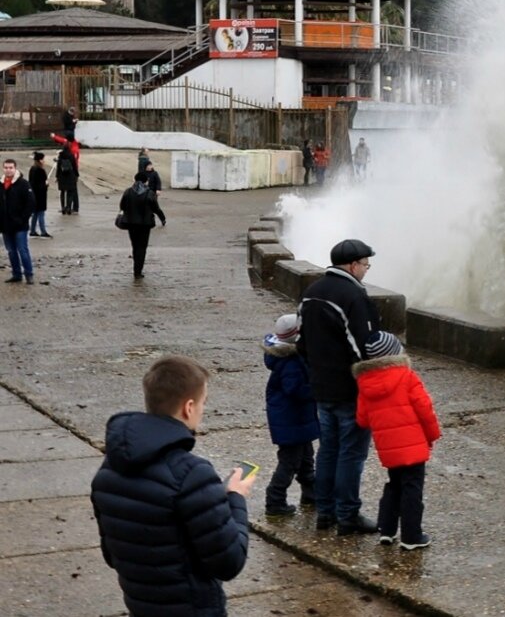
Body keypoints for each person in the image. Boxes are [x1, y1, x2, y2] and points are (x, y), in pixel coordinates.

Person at [91, 355, 254, 617]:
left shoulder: (109, 470)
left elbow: (113, 555)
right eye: (203, 403)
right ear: (189, 407)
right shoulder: (192, 474)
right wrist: (235, 497)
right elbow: (228, 562)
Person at [297, 238, 381, 535]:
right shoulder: (353, 296)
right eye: (366, 264)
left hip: (321, 387)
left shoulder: (311, 292)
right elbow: (364, 347)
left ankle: (325, 512)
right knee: (352, 454)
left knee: (328, 450)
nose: (367, 270)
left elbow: (301, 343)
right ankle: (348, 515)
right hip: (350, 390)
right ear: (352, 264)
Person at [354, 331, 441, 550]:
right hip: (413, 446)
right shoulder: (407, 376)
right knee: (412, 488)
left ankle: (387, 529)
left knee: (394, 484)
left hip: (388, 448)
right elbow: (425, 410)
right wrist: (432, 435)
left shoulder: (365, 383)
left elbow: (362, 420)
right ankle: (412, 536)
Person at [262, 313, 318, 517]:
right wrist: (317, 389)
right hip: (291, 420)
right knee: (290, 462)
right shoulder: (291, 362)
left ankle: (311, 493)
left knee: (305, 458)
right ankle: (275, 501)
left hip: (295, 420)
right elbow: (295, 390)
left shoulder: (285, 356)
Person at [120, 170, 165, 278]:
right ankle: (138, 271)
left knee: (135, 246)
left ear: (135, 180)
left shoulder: (128, 192)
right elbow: (156, 208)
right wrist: (162, 218)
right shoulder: (150, 193)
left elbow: (122, 206)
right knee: (142, 247)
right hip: (145, 224)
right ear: (146, 181)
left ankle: (136, 269)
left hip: (131, 223)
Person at [0, 158, 35, 284]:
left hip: (20, 225)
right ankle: (16, 274)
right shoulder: (1, 184)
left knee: (22, 250)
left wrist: (22, 219)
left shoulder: (23, 184)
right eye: (6, 167)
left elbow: (31, 203)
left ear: (15, 169)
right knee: (11, 251)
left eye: (11, 168)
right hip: (5, 225)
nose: (8, 170)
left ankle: (29, 274)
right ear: (3, 169)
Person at [51, 135, 80, 213]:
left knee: (62, 192)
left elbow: (58, 167)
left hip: (62, 176)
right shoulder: (71, 156)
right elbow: (74, 166)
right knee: (70, 193)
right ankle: (69, 208)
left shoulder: (61, 155)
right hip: (70, 176)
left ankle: (63, 207)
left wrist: (57, 176)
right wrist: (77, 175)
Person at [28, 151, 51, 238]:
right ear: (40, 160)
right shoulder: (40, 170)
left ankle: (33, 230)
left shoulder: (32, 169)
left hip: (34, 195)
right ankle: (43, 231)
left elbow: (31, 182)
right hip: (40, 195)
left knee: (35, 213)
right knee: (41, 213)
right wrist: (46, 185)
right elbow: (41, 185)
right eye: (43, 159)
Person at [143, 160, 167, 225]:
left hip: (153, 193)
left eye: (150, 165)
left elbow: (158, 182)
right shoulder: (142, 173)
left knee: (155, 208)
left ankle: (163, 219)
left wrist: (158, 189)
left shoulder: (154, 173)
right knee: (146, 208)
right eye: (148, 165)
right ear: (145, 166)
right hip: (144, 193)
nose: (150, 167)